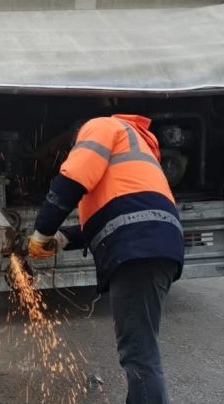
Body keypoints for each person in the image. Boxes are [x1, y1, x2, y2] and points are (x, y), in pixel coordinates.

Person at [28, 114, 184, 404]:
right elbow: (118, 214)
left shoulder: (99, 126)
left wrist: (42, 230)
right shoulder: (132, 147)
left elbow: (72, 178)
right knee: (141, 349)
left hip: (139, 249)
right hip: (152, 243)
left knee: (140, 354)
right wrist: (63, 238)